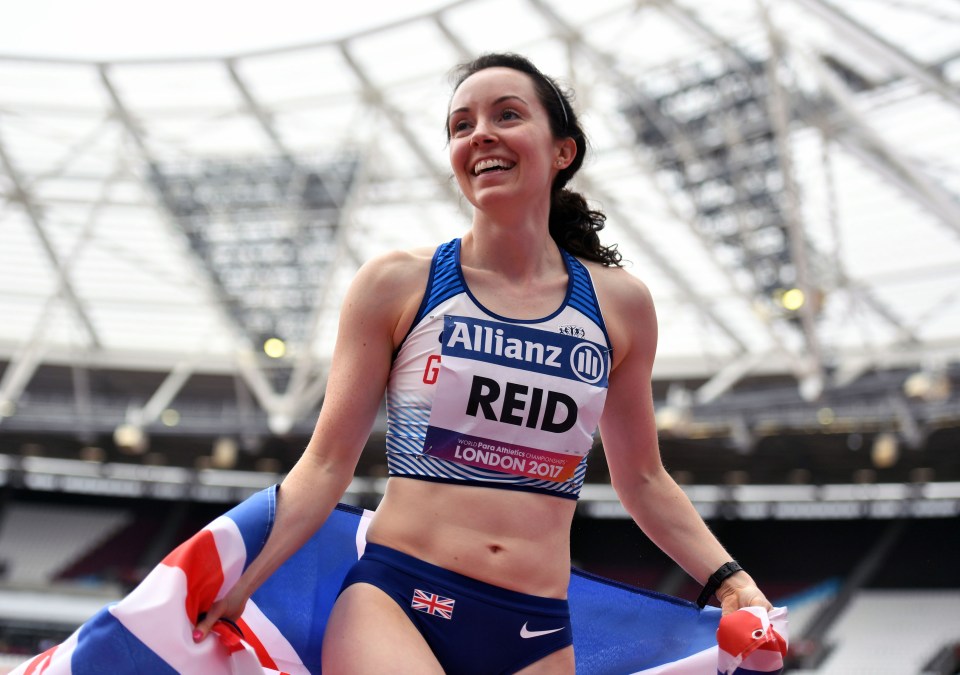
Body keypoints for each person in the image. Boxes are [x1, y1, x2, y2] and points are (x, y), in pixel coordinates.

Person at [193, 52, 772, 674]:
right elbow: (327, 462)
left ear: (562, 152)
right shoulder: (397, 285)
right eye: (461, 125)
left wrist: (730, 579)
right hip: (397, 600)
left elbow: (644, 480)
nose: (480, 134)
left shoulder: (620, 306)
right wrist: (241, 584)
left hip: (537, 627)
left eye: (507, 114)